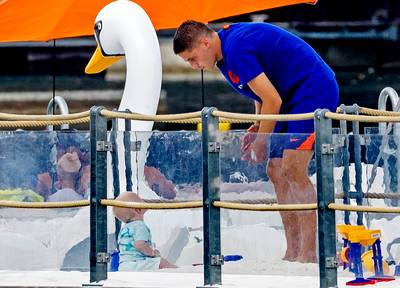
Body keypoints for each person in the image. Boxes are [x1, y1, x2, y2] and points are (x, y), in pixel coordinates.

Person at [173, 20, 339, 263]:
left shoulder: (236, 48)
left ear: (205, 42)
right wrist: (259, 124)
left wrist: (261, 141)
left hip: (312, 90)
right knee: (275, 170)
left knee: (293, 168)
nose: (194, 65)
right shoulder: (222, 52)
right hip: (287, 95)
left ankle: (310, 252)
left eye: (192, 58)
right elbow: (260, 92)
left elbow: (272, 100)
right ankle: (292, 250)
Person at [113, 191, 177, 270]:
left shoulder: (125, 228)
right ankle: (177, 270)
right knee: (160, 262)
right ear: (138, 209)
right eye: (140, 200)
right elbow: (139, 245)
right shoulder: (140, 226)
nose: (144, 201)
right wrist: (153, 253)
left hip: (123, 265)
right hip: (137, 263)